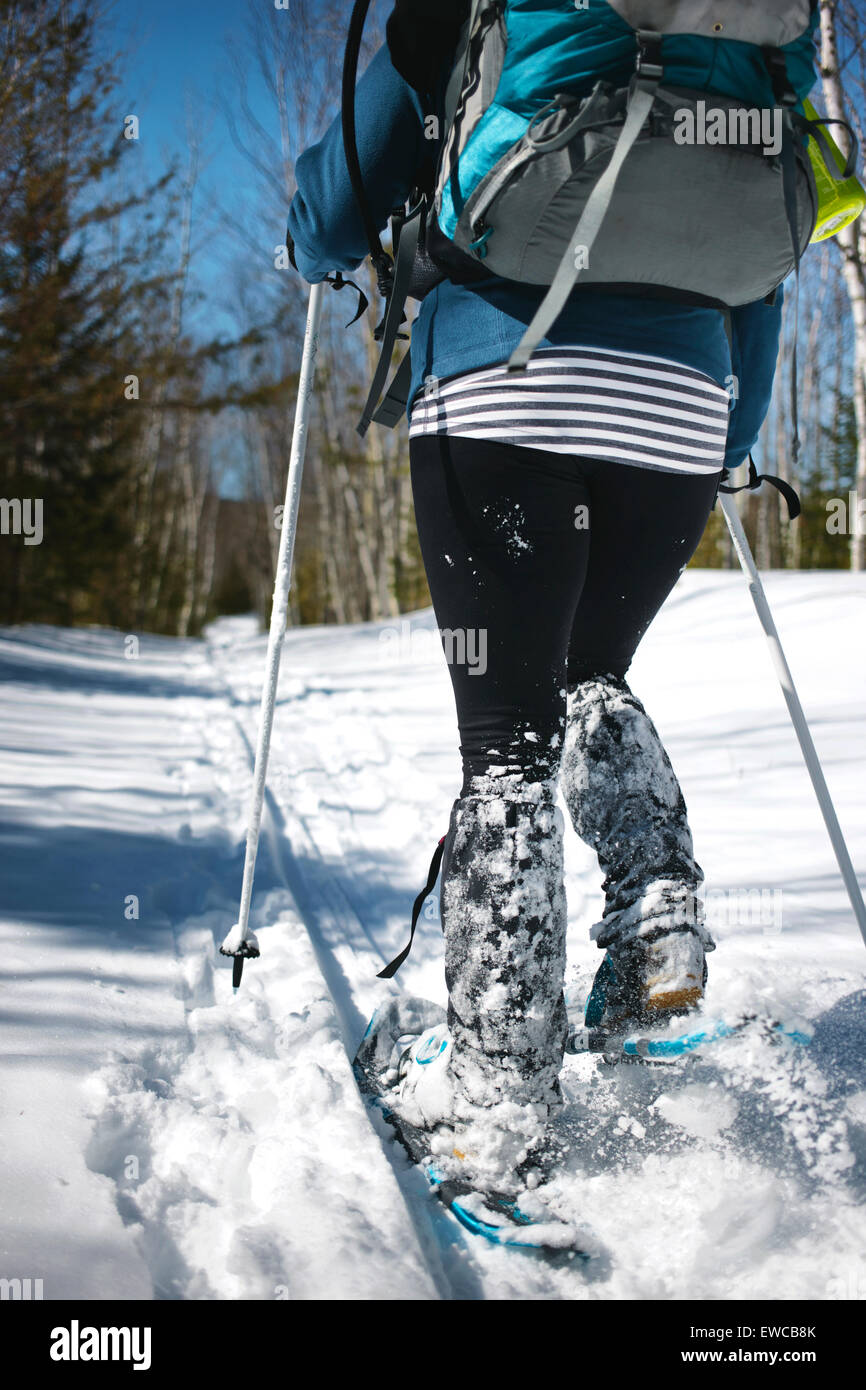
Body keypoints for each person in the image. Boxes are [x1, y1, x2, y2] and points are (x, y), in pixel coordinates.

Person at [287, 9, 818, 1187]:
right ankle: (652, 936)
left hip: (504, 368)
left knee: (508, 744)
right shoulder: (738, 21)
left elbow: (339, 198)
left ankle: (492, 1091)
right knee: (590, 678)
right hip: (680, 395)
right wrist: (717, 430)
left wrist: (309, 244)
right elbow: (760, 250)